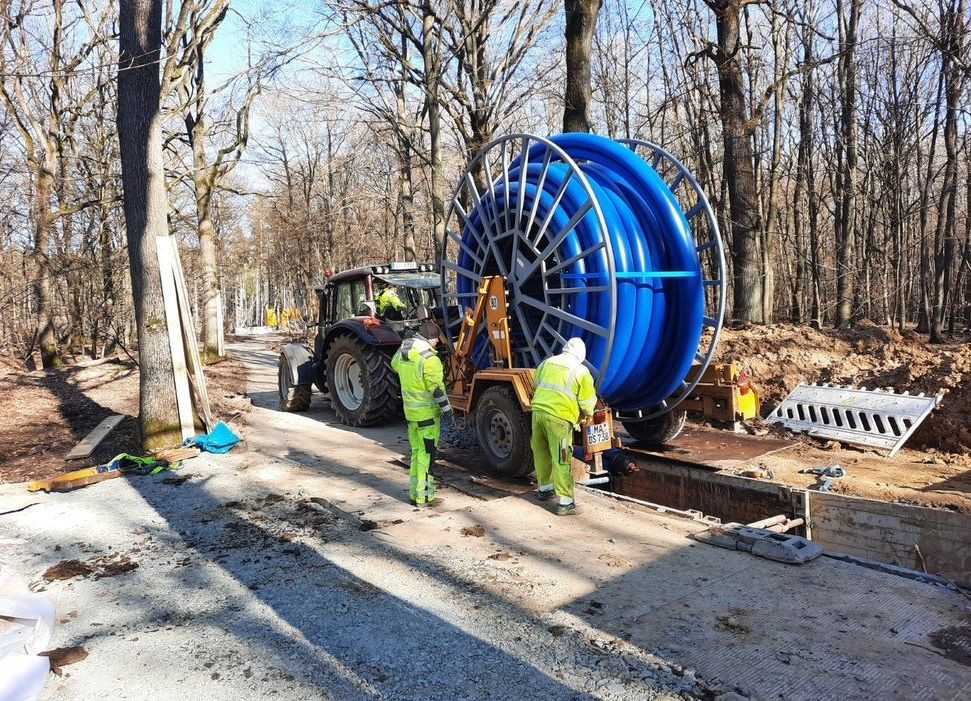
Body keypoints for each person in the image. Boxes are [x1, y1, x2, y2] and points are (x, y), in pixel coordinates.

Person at [530, 337, 597, 516]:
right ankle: (566, 502)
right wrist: (588, 416)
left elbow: (536, 383)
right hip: (559, 420)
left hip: (537, 414)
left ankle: (544, 489)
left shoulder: (547, 363)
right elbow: (587, 402)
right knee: (562, 457)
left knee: (541, 452)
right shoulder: (581, 371)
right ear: (581, 354)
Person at [391, 322, 451, 507]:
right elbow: (437, 389)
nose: (436, 344)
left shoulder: (403, 353)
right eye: (436, 340)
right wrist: (447, 410)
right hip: (427, 417)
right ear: (432, 339)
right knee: (428, 456)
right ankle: (424, 497)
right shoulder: (429, 359)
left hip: (411, 414)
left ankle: (414, 493)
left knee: (417, 453)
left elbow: (394, 365)